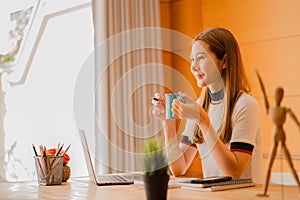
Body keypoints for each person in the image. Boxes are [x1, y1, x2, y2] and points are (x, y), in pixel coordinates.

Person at [152, 27, 263, 183]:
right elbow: (178, 168)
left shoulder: (245, 105)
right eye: (192, 59)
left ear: (224, 61)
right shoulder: (199, 106)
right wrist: (168, 122)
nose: (193, 66)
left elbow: (234, 171)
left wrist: (202, 119)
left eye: (201, 57)